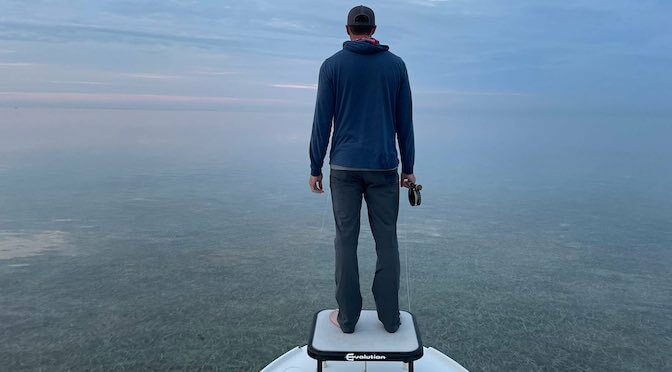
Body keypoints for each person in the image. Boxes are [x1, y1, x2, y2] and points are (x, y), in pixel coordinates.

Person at [308, 5, 415, 334]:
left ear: (347, 29)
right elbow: (404, 123)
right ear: (373, 29)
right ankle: (390, 319)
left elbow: (322, 121)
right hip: (384, 167)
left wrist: (315, 166)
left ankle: (348, 318)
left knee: (346, 242)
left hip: (344, 168)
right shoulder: (396, 66)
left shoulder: (331, 67)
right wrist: (408, 168)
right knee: (387, 242)